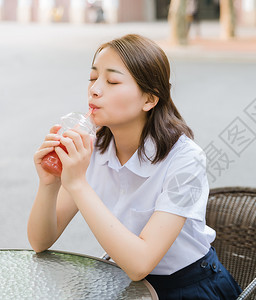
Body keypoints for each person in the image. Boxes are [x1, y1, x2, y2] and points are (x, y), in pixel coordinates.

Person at [28, 34, 242, 299]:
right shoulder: (92, 148)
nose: (95, 89)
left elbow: (140, 264)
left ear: (149, 100)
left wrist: (78, 183)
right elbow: (40, 241)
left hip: (188, 288)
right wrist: (49, 185)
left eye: (113, 81)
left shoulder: (184, 158)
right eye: (93, 77)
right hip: (125, 285)